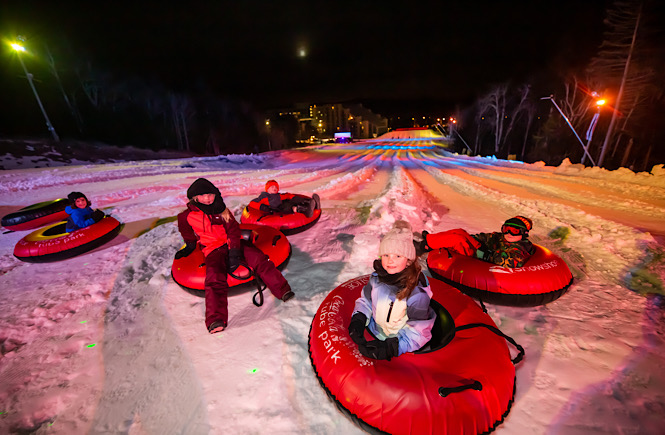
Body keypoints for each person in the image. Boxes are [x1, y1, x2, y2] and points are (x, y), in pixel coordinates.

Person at [176, 178, 295, 334]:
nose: (208, 198)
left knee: (259, 259)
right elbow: (186, 232)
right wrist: (190, 245)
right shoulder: (186, 216)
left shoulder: (221, 210)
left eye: (210, 195)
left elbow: (233, 229)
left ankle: (282, 290)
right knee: (214, 277)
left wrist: (234, 252)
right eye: (203, 195)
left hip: (233, 242)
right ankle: (216, 319)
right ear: (195, 197)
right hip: (212, 249)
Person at [348, 220, 435, 361]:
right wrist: (359, 318)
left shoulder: (416, 292)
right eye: (386, 255)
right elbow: (366, 301)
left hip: (401, 344)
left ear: (408, 260)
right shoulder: (377, 277)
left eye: (398, 256)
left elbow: (419, 331)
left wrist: (391, 347)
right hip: (375, 333)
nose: (390, 261)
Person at [421, 216, 536, 268]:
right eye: (506, 229)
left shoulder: (521, 247)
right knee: (460, 232)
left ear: (524, 233)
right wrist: (472, 239)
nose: (509, 234)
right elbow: (485, 237)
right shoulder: (500, 237)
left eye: (515, 231)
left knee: (457, 240)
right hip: (482, 252)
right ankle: (431, 239)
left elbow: (511, 261)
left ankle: (428, 245)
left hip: (481, 261)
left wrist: (487, 255)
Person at [251, 180, 320, 218]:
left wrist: (292, 197)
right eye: (272, 187)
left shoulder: (278, 195)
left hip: (282, 204)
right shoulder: (264, 196)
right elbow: (252, 203)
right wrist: (262, 207)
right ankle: (306, 211)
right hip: (275, 209)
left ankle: (310, 202)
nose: (275, 188)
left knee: (291, 199)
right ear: (267, 189)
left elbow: (286, 196)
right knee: (287, 207)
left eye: (276, 187)